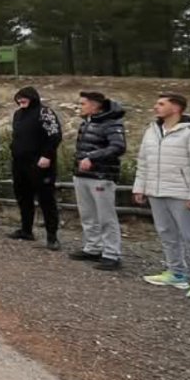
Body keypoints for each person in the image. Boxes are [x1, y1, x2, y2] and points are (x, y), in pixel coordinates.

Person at [133, 93, 190, 300]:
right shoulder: (152, 131)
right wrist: (140, 187)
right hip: (156, 191)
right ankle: (176, 273)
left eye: (161, 104)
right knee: (167, 234)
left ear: (177, 107)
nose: (156, 107)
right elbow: (143, 161)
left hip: (183, 193)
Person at [70, 91, 127, 271]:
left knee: (106, 216)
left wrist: (93, 158)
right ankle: (93, 247)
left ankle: (112, 253)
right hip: (83, 175)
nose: (80, 107)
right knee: (88, 214)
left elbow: (118, 147)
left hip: (101, 176)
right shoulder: (86, 124)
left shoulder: (112, 124)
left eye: (83, 104)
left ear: (95, 105)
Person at [10, 86, 63, 250]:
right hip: (20, 163)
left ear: (33, 97)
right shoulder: (18, 114)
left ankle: (52, 237)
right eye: (18, 98)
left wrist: (47, 155)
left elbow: (54, 135)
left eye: (24, 97)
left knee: (46, 200)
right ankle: (26, 230)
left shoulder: (44, 112)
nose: (20, 101)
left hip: (40, 163)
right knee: (23, 197)